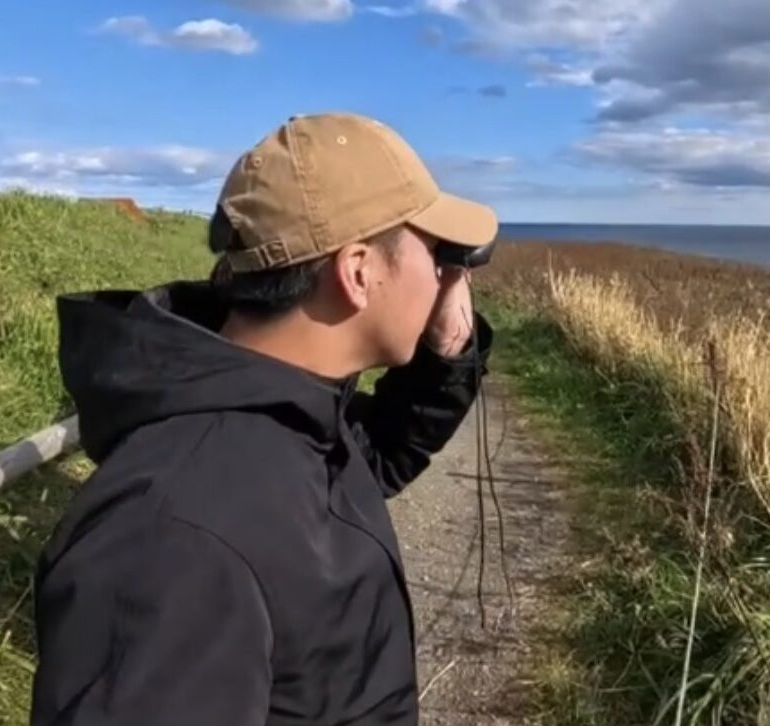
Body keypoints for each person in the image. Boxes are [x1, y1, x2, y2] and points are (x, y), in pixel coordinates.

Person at [29, 112, 497, 725]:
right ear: (358, 271)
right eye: (435, 253)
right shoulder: (175, 538)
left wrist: (445, 352)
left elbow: (374, 459)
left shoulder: (286, 414)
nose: (445, 275)